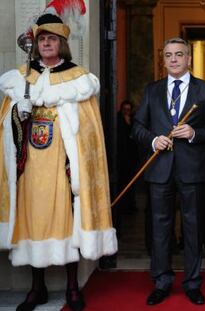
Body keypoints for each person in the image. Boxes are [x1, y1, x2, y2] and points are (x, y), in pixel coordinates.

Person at [0, 12, 117, 311]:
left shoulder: (78, 79)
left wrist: (67, 120)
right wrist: (18, 113)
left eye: (51, 39)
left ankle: (72, 287)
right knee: (32, 223)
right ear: (35, 45)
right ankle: (36, 288)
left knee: (69, 222)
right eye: (42, 40)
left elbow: (88, 131)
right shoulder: (21, 77)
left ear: (61, 43)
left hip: (63, 166)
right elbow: (6, 130)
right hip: (29, 167)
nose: (46, 44)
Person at [132, 37, 205, 306]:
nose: (173, 59)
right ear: (164, 60)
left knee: (193, 228)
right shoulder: (152, 90)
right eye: (168, 55)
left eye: (179, 54)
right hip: (160, 169)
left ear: (189, 59)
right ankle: (161, 281)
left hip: (193, 170)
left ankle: (193, 283)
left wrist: (195, 133)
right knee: (160, 228)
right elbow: (137, 126)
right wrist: (152, 140)